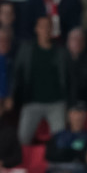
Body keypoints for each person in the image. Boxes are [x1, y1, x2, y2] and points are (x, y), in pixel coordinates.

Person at [12, 15, 70, 145]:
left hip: (57, 103)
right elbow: (17, 74)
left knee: (60, 142)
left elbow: (69, 78)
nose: (46, 30)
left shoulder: (61, 52)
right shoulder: (26, 50)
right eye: (42, 27)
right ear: (36, 29)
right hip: (32, 102)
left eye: (49, 27)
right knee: (22, 139)